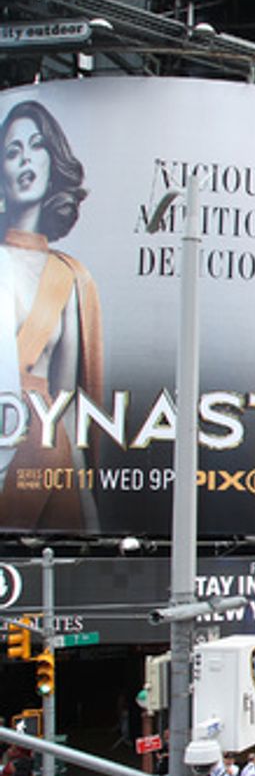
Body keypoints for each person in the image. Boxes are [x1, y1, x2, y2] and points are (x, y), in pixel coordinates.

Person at [0, 100, 105, 531]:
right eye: (12, 151)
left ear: (52, 160)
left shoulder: (71, 276)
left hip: (42, 455)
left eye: (36, 145)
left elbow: (68, 405)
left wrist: (86, 500)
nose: (25, 159)